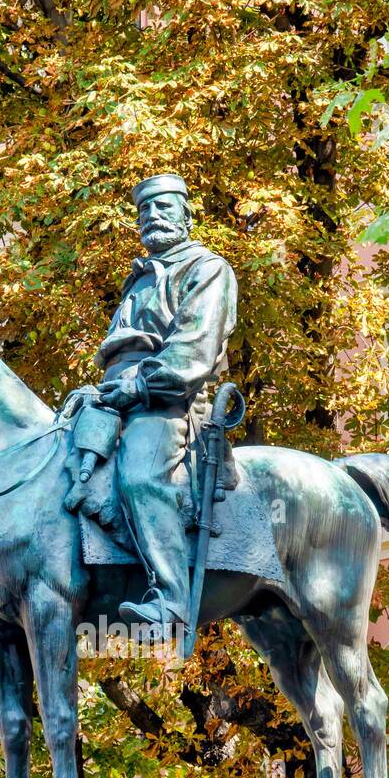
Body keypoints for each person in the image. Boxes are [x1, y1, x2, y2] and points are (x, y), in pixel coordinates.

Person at [95, 173, 238, 635]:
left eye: (164, 208)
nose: (152, 217)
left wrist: (139, 386)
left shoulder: (206, 268)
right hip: (115, 397)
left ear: (187, 217)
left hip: (167, 401)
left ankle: (171, 601)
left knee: (140, 475)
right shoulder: (136, 282)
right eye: (144, 210)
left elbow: (192, 351)